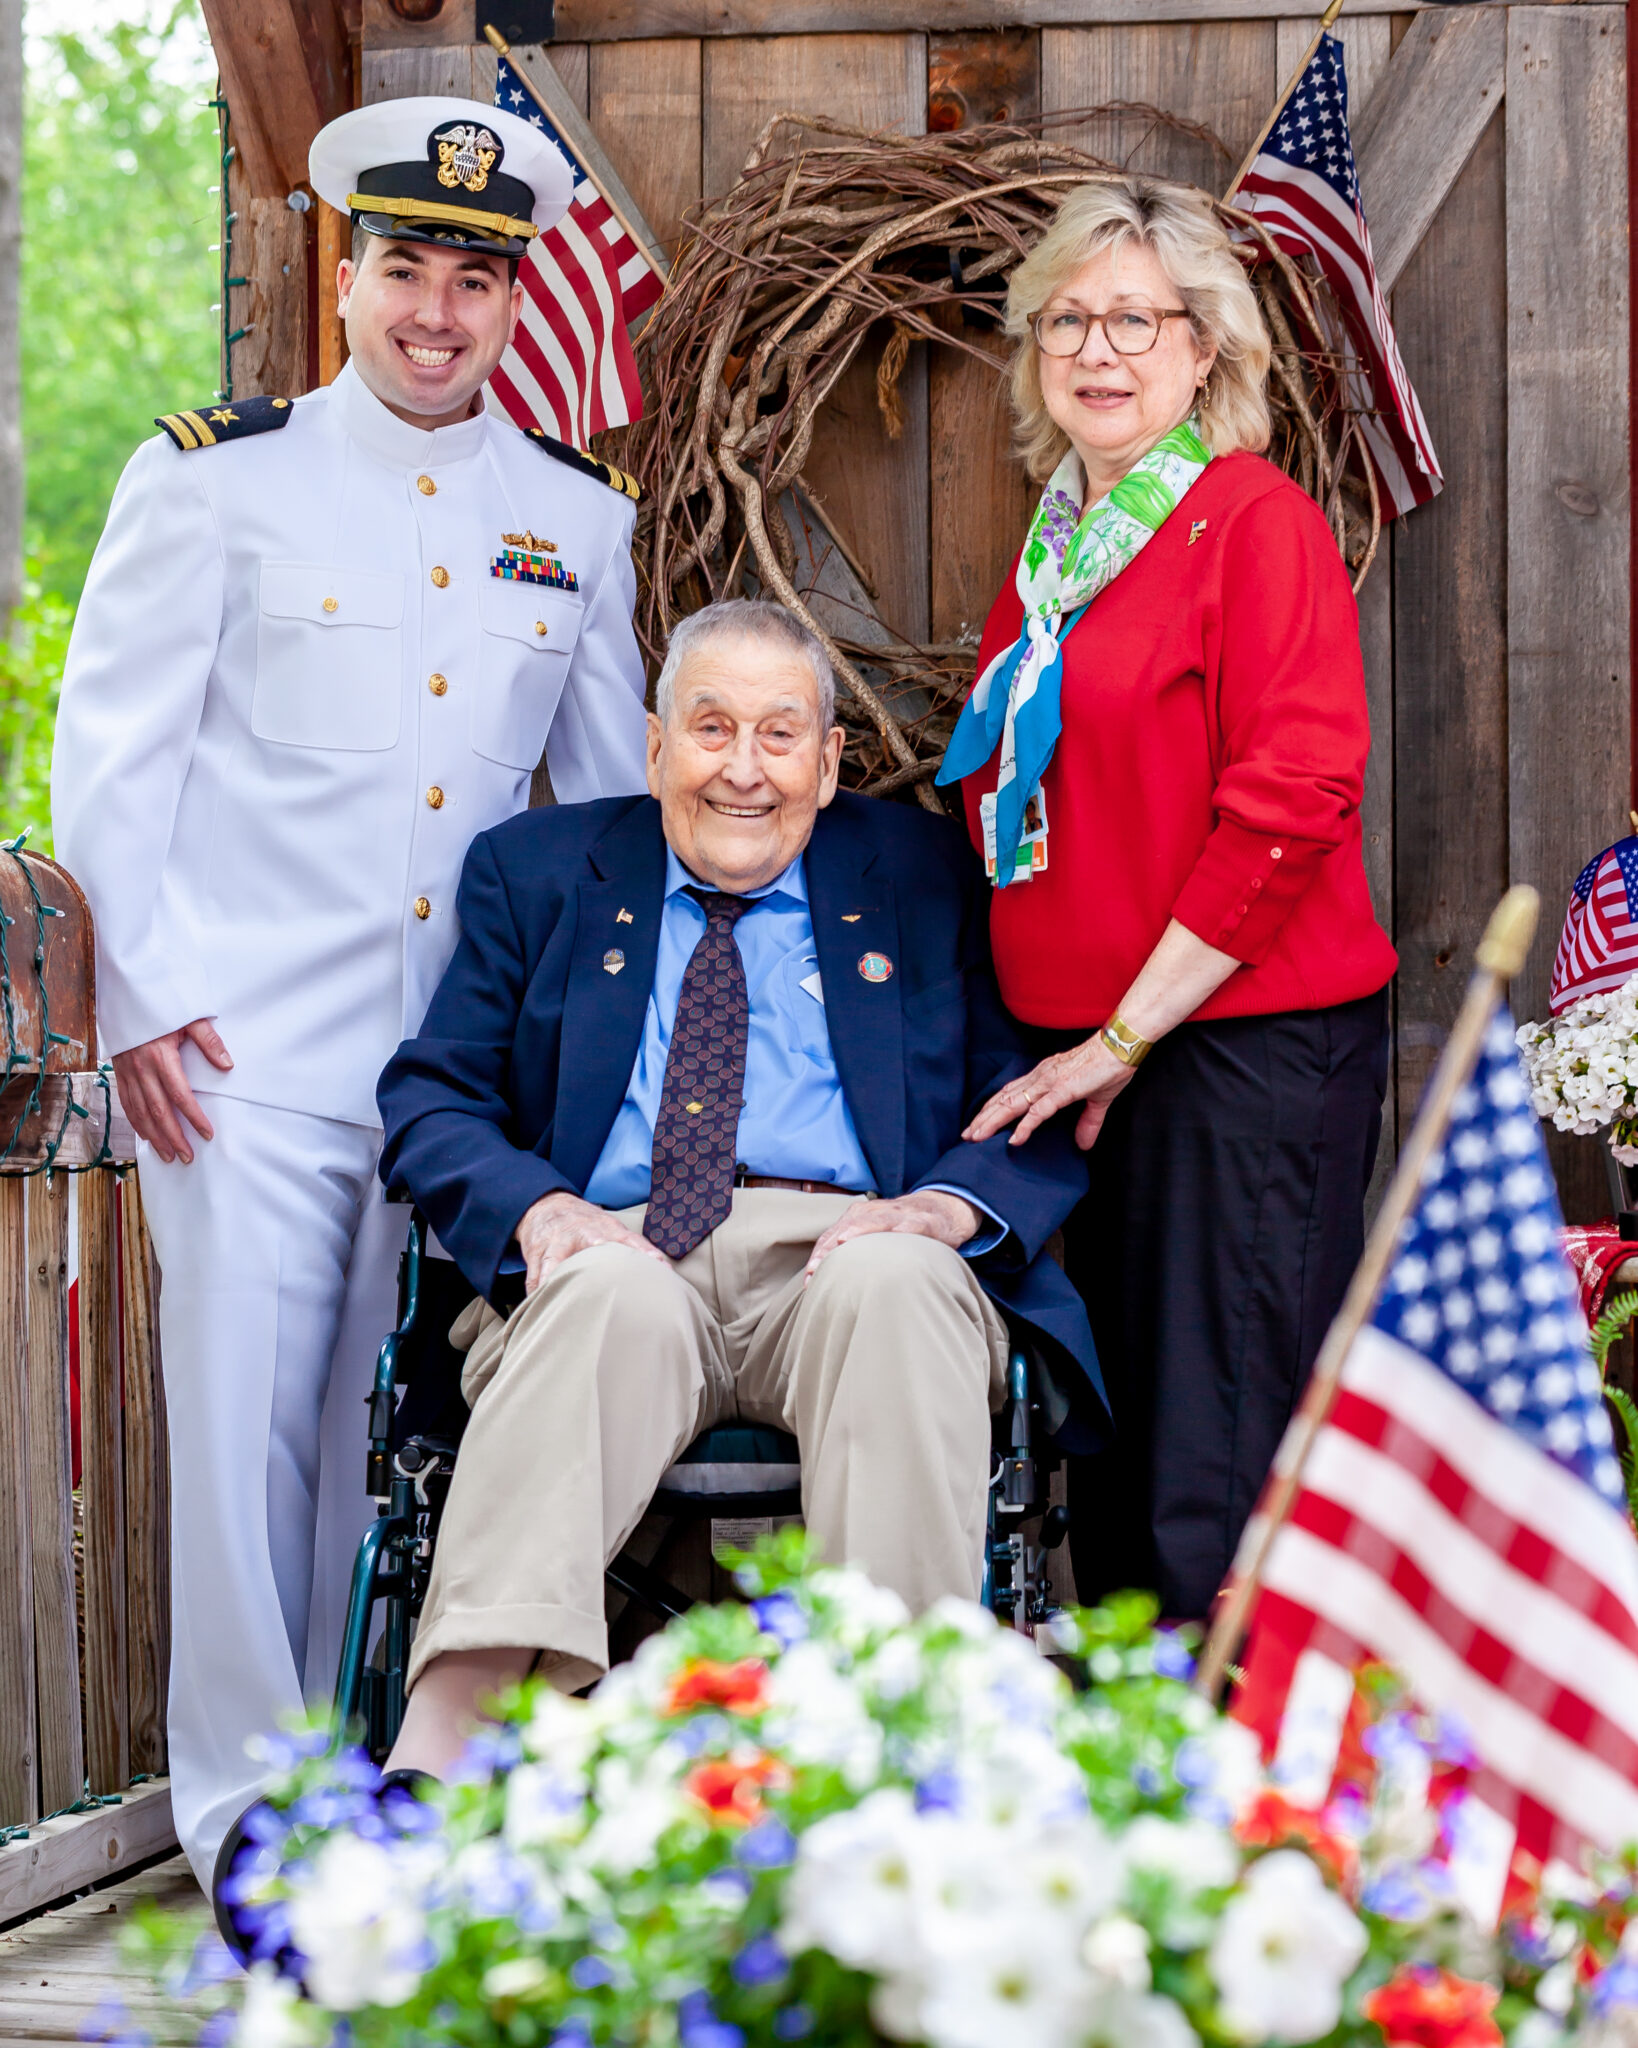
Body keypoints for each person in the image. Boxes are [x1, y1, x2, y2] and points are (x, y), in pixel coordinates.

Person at [50, 96, 651, 1885]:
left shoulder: (572, 520)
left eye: (476, 277)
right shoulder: (211, 479)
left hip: (459, 1086)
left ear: (512, 298)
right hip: (248, 1053)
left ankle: (363, 1779)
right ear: (347, 278)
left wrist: (587, 1071)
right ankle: (251, 1811)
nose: (438, 312)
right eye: (406, 269)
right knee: (245, 1437)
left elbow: (608, 811)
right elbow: (113, 762)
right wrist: (146, 1001)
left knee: (385, 1446)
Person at [370, 598, 1104, 1777]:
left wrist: (942, 1208)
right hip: (611, 1253)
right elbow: (431, 1093)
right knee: (610, 1293)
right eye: (711, 729)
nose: (744, 770)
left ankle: (897, 1751)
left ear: (827, 761)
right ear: (656, 747)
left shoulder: (918, 874)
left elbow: (1025, 1093)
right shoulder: (539, 871)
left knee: (902, 1282)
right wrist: (542, 1208)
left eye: (779, 734)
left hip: (843, 1255)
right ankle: (442, 1751)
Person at [941, 175, 1396, 1624]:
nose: (1097, 350)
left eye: (1134, 319)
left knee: (1216, 1463)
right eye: (1066, 319)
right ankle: (1150, 1798)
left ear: (1207, 350)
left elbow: (1294, 801)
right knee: (1128, 1453)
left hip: (1232, 1054)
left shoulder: (1246, 524)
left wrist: (1121, 1037)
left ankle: (1241, 1818)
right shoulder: (1061, 555)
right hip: (1097, 1065)